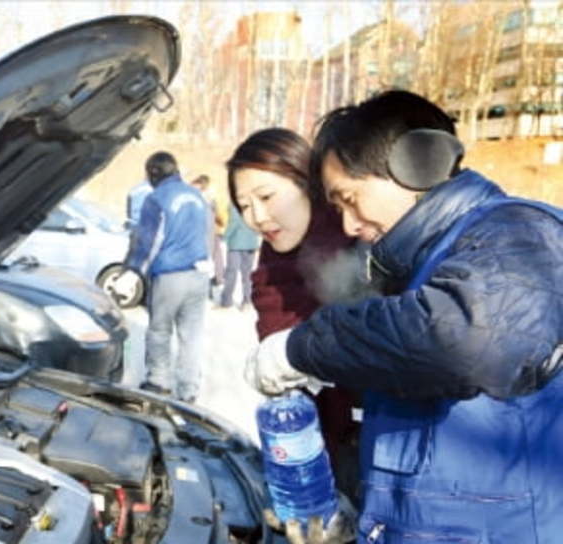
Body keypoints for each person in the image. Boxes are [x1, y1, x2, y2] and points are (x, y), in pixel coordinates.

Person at [246, 90, 563, 542]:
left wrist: (304, 346)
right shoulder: (435, 269)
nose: (351, 226)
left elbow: (463, 342)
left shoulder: (519, 233)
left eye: (350, 198)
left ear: (418, 164)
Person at [227, 128, 369, 511]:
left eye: (266, 197)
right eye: (244, 205)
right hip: (321, 456)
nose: (256, 217)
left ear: (307, 183)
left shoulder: (365, 244)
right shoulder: (271, 272)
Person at [125, 151, 210, 403]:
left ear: (154, 173)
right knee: (191, 335)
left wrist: (134, 269)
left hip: (170, 274)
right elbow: (208, 234)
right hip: (199, 274)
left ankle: (158, 381)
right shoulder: (197, 196)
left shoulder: (157, 198)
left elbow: (150, 241)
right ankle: (189, 389)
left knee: (159, 331)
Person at [218, 203, 260, 310]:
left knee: (231, 272)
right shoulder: (254, 205)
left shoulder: (235, 205)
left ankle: (226, 302)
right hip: (251, 243)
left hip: (236, 244)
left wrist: (224, 237)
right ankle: (247, 301)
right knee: (247, 274)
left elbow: (234, 223)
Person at [190, 174, 226, 295]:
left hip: (204, 234)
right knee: (214, 258)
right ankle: (216, 281)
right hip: (211, 232)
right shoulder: (211, 199)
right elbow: (219, 215)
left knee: (205, 261)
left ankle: (207, 288)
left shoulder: (201, 199)